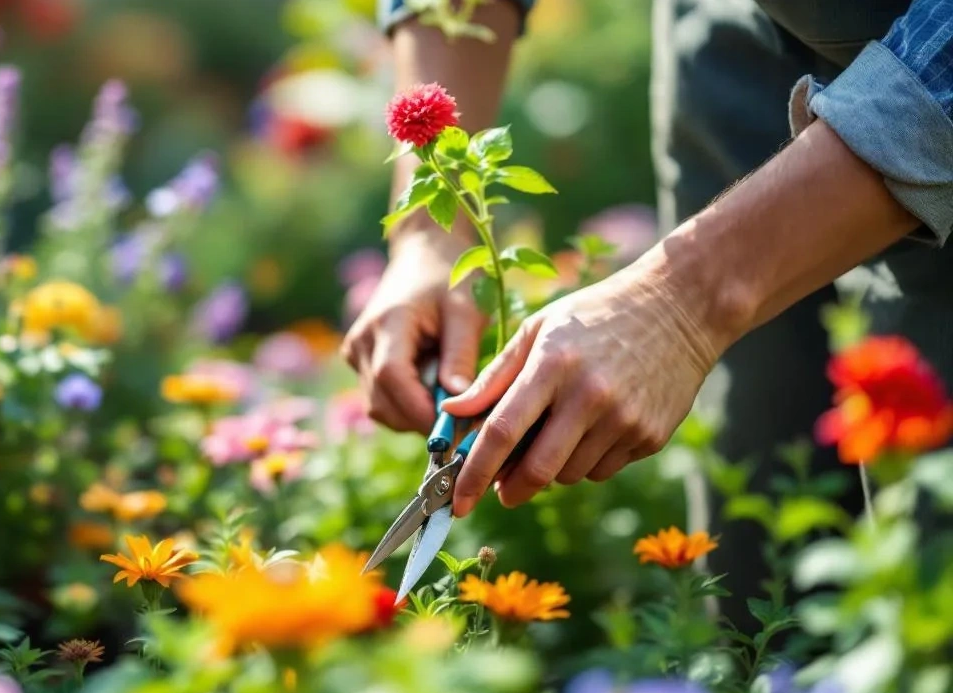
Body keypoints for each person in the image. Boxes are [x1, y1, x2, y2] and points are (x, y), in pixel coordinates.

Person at [343, 0, 953, 624]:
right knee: (756, 558)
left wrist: (683, 305)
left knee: (927, 569)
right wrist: (429, 234)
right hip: (730, 41)